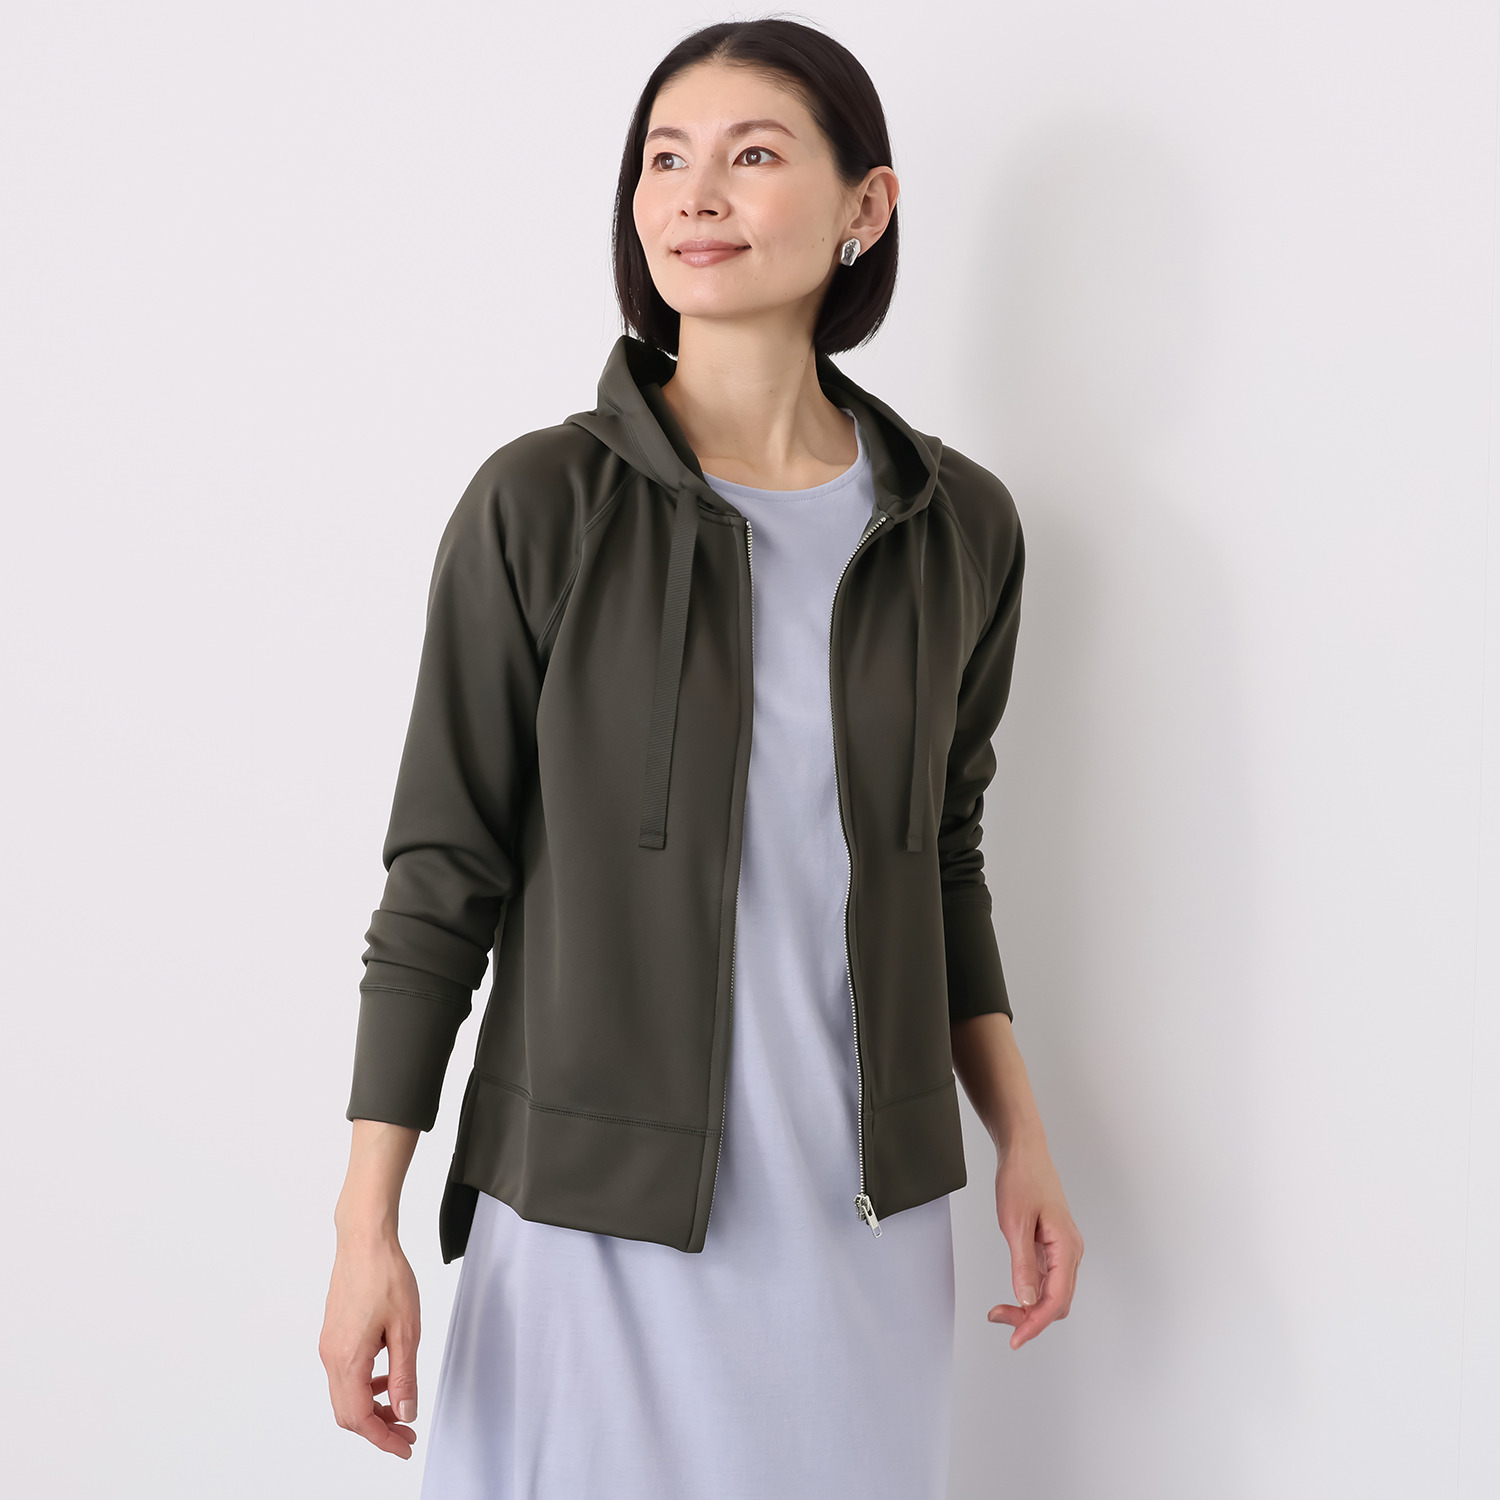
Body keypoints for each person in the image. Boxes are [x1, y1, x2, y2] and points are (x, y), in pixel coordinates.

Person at [319, 18, 1083, 1499]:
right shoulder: (542, 504)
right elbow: (441, 878)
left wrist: (1022, 1137)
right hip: (594, 1216)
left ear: (866, 206)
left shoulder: (958, 528)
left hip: (860, 1226)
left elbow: (944, 858)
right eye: (665, 160)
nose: (694, 196)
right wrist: (369, 1228)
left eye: (753, 154)